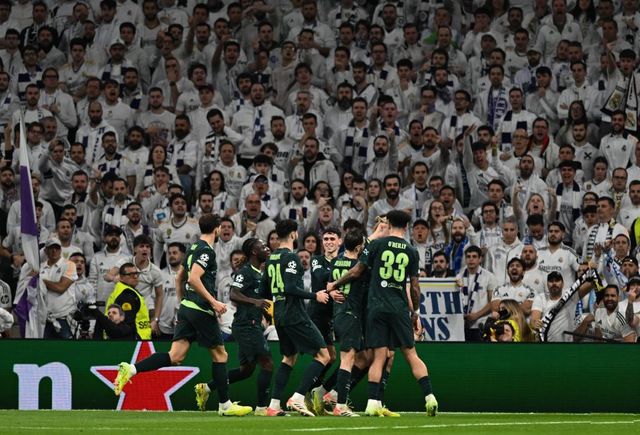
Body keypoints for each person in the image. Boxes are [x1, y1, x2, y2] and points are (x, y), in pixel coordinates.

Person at [113, 214, 253, 417]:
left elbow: (180, 277)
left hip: (188, 307)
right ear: (216, 229)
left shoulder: (193, 248)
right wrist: (213, 302)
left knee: (175, 356)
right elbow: (194, 279)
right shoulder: (206, 251)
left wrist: (183, 303)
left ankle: (131, 369)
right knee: (220, 355)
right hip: (200, 309)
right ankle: (225, 405)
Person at [327, 210, 438, 417]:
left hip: (376, 307)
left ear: (389, 224)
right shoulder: (412, 251)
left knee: (378, 357)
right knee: (411, 354)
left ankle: (372, 403)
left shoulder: (377, 245)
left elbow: (356, 271)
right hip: (398, 307)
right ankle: (430, 397)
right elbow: (414, 287)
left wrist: (335, 283)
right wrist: (415, 312)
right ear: (406, 227)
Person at [259, 219, 330, 417]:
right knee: (323, 355)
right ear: (293, 234)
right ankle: (298, 397)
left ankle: (274, 405)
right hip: (294, 314)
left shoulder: (271, 259)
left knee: (289, 357)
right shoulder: (291, 258)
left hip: (279, 314)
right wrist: (315, 295)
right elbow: (290, 288)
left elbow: (264, 291)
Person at [195, 238, 274, 415]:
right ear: (254, 252)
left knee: (246, 371)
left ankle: (206, 388)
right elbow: (233, 294)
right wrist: (255, 302)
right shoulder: (245, 272)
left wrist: (263, 311)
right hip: (246, 326)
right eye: (263, 247)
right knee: (267, 363)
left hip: (251, 324)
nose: (267, 248)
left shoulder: (259, 272)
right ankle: (262, 408)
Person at [326, 228, 367, 417]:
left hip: (339, 314)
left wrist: (332, 290)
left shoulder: (335, 261)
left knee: (358, 358)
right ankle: (340, 405)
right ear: (358, 247)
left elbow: (329, 286)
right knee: (347, 360)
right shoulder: (359, 265)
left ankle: (333, 396)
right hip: (350, 313)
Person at [529, 271, 595, 342]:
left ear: (563, 284)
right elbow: (534, 319)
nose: (554, 283)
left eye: (557, 280)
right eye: (551, 281)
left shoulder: (570, 295)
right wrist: (535, 323)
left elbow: (593, 283)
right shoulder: (540, 298)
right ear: (547, 284)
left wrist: (593, 272)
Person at [103, 262, 151, 340]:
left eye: (136, 273)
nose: (135, 277)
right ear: (121, 277)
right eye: (131, 275)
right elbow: (126, 325)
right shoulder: (126, 295)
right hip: (134, 341)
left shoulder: (122, 290)